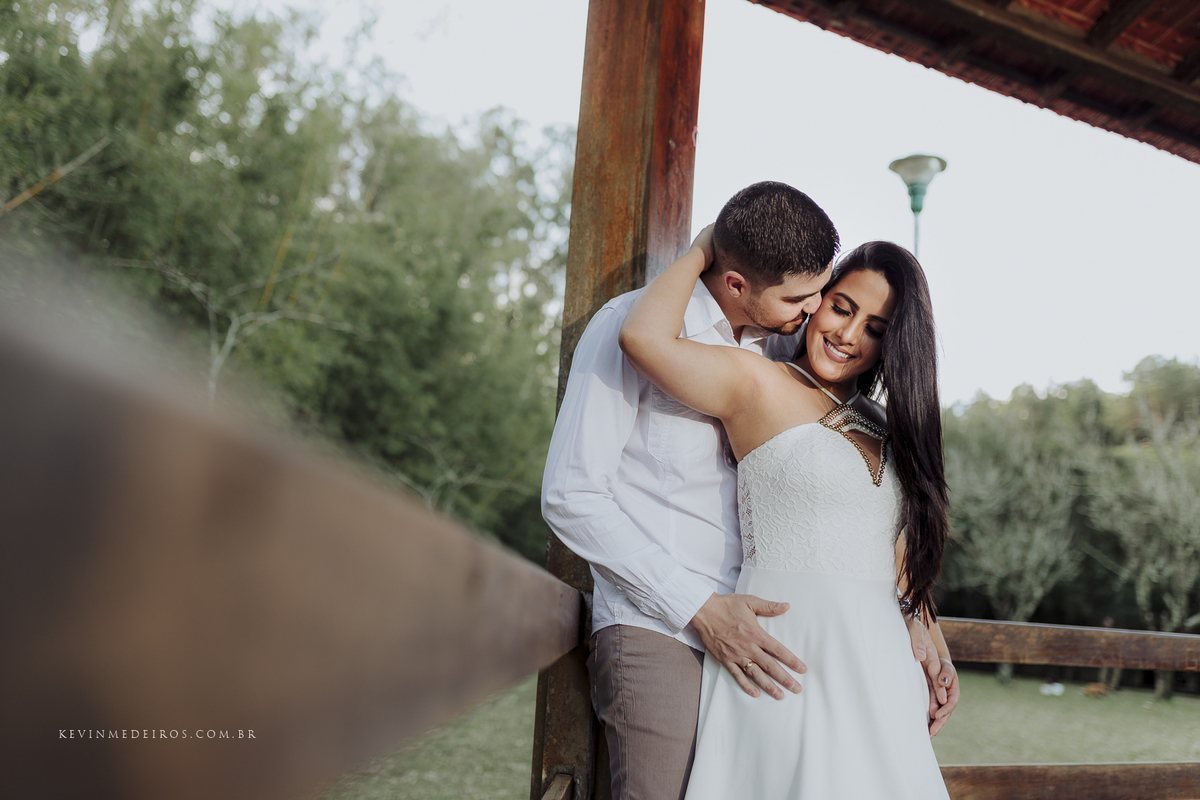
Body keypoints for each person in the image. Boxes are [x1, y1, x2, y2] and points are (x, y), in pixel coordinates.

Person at [542, 181, 957, 800]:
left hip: (779, 630)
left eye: (825, 295)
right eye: (821, 301)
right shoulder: (654, 331)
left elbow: (871, 529)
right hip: (663, 619)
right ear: (738, 283)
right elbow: (571, 496)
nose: (819, 313)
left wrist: (919, 621)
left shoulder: (794, 352)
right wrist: (700, 607)